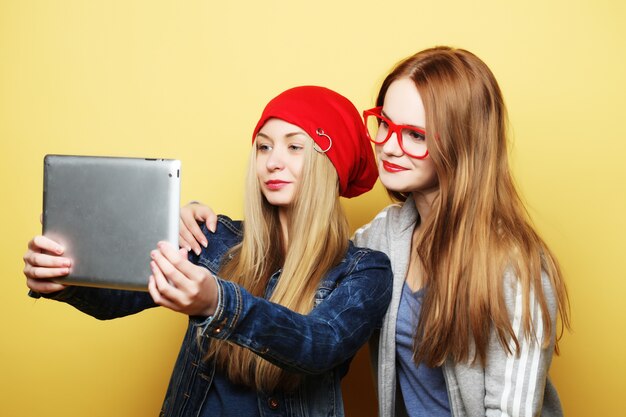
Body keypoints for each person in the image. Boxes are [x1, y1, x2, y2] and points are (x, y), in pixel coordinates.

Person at [179, 47, 571, 417]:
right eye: (384, 123)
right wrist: (194, 229)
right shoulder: (385, 236)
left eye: (415, 135)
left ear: (462, 144)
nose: (388, 145)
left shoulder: (513, 263)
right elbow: (308, 261)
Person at [22, 86, 393, 417]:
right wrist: (65, 276)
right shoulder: (216, 239)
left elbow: (318, 344)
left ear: (331, 165)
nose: (272, 161)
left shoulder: (365, 271)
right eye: (264, 146)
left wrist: (218, 302)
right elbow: (122, 297)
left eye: (295, 147)